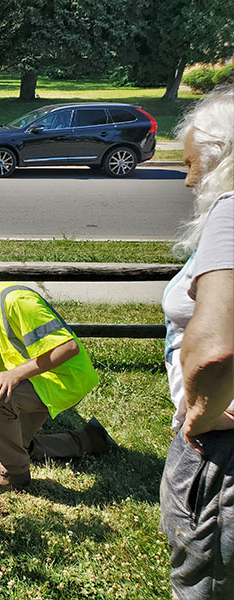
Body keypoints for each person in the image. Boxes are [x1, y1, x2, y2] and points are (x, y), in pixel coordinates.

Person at [0, 253, 117, 493]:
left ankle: (13, 474)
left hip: (61, 379)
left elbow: (68, 348)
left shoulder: (17, 300)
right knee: (17, 446)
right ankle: (91, 439)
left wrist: (14, 375)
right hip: (38, 378)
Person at [160, 85, 234, 600]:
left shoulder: (231, 211)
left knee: (202, 580)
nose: (188, 179)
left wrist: (201, 415)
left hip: (220, 443)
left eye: (191, 165)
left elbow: (214, 348)